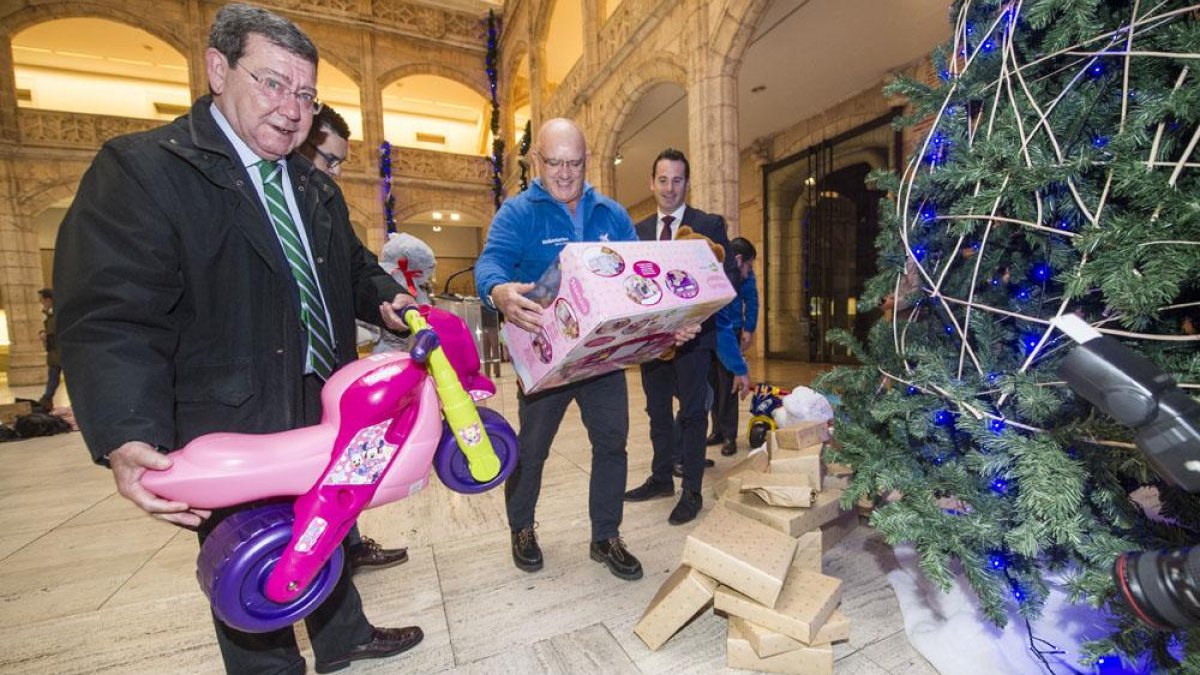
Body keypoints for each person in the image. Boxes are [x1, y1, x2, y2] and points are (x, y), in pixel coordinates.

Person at [54, 4, 422, 673]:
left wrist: (386, 297)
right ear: (218, 70)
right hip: (229, 415)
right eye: (273, 83)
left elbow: (353, 267)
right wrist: (126, 428)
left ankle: (343, 635)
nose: (293, 109)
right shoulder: (145, 170)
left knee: (329, 517)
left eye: (306, 94)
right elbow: (112, 311)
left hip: (322, 398)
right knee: (250, 559)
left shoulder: (311, 185)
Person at [475, 119, 698, 581]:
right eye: (554, 162)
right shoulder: (518, 213)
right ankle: (522, 528)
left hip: (602, 360)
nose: (564, 173)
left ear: (587, 161)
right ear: (537, 160)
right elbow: (491, 262)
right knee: (532, 450)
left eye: (574, 163)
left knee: (612, 445)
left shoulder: (612, 215)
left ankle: (605, 536)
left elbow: (639, 279)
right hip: (546, 358)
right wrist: (497, 291)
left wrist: (666, 327)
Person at [299, 104, 409, 575]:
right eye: (329, 159)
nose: (337, 172)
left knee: (342, 459)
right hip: (286, 371)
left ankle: (348, 543)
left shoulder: (326, 201)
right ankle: (319, 557)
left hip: (331, 364)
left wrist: (392, 298)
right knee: (307, 472)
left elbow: (359, 268)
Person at [623, 149, 732, 526]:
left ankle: (692, 491)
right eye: (663, 180)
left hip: (694, 339)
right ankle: (661, 478)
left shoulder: (709, 224)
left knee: (692, 413)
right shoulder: (637, 231)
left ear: (687, 183)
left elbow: (727, 279)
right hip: (654, 343)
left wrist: (696, 319)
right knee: (656, 412)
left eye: (677, 180)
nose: (670, 188)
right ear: (651, 183)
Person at [707, 261, 759, 455]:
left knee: (728, 384)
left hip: (732, 329)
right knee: (712, 383)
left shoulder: (745, 275)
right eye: (749, 265)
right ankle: (717, 431)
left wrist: (749, 328)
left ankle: (730, 435)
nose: (749, 270)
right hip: (710, 330)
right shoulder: (716, 266)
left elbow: (752, 300)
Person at [37, 288, 61, 411]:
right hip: (54, 352)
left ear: (48, 300)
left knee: (54, 377)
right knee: (53, 377)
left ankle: (46, 400)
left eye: (41, 299)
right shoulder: (48, 315)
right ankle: (46, 400)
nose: (40, 302)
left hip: (60, 352)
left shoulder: (57, 314)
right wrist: (43, 332)